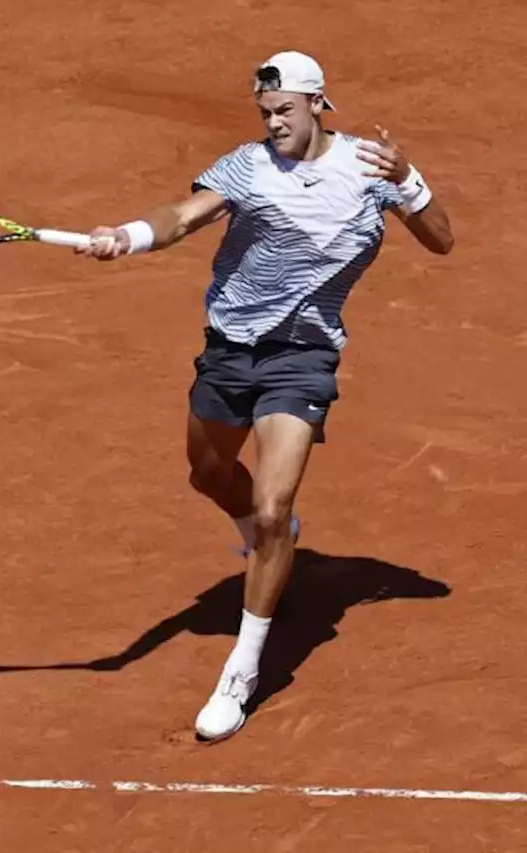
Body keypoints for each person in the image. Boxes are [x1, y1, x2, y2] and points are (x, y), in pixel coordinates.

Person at [78, 50, 454, 742]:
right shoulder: (247, 167)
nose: (273, 122)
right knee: (209, 473)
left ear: (318, 104)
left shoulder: (372, 169)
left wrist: (412, 182)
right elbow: (185, 216)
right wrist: (125, 237)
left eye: (284, 110)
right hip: (229, 349)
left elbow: (442, 241)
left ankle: (241, 670)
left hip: (302, 358)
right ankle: (260, 536)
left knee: (275, 506)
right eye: (265, 113)